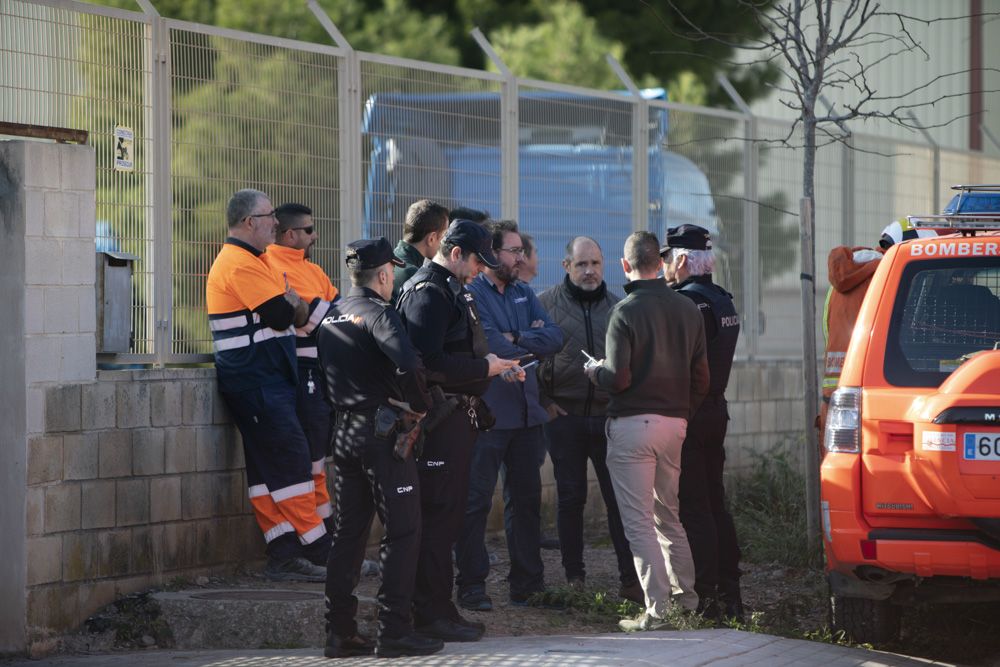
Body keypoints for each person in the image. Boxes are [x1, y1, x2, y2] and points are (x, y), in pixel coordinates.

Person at [396, 219, 523, 643]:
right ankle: (428, 612)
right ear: (454, 254)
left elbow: (456, 352)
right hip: (437, 422)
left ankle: (439, 606)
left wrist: (493, 369)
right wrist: (481, 368)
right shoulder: (429, 293)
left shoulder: (450, 288)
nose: (479, 270)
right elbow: (423, 363)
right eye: (475, 261)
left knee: (448, 517)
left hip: (456, 418)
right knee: (436, 518)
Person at [317, 237, 442, 659]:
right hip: (382, 437)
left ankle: (340, 632)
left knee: (347, 535)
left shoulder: (331, 315)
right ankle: (394, 630)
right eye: (392, 272)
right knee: (403, 531)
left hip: (345, 435)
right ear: (385, 274)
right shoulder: (380, 315)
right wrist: (422, 407)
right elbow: (408, 364)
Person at [584, 230, 709, 632]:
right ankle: (687, 601)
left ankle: (657, 612)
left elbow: (617, 379)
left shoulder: (624, 311)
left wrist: (594, 371)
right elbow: (701, 378)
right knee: (669, 516)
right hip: (675, 425)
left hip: (632, 427)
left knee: (639, 522)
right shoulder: (689, 308)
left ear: (625, 265)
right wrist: (682, 414)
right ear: (662, 263)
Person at [205, 189, 329, 582]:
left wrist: (292, 305)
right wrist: (290, 304)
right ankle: (320, 549)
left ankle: (284, 552)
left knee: (267, 469)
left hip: (269, 379)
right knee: (291, 461)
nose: (276, 222)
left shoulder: (259, 261)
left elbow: (296, 313)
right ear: (248, 223)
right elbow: (282, 313)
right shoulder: (239, 263)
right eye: (268, 215)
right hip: (254, 380)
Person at [456, 220, 563, 612]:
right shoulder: (473, 293)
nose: (521, 258)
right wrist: (520, 343)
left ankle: (528, 586)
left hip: (526, 416)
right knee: (476, 502)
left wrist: (519, 341)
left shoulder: (523, 292)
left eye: (521, 251)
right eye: (514, 251)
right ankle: (471, 585)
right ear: (491, 253)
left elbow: (554, 336)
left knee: (526, 502)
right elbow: (491, 344)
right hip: (488, 417)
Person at [537, 236, 641, 603]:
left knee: (618, 501)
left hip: (609, 419)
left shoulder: (620, 307)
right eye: (581, 264)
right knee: (570, 498)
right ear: (566, 266)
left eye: (595, 264)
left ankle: (630, 580)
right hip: (563, 418)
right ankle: (574, 578)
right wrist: (544, 402)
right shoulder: (545, 305)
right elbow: (528, 359)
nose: (589, 271)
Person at [662, 225, 743, 623]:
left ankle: (707, 597)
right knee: (716, 504)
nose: (664, 267)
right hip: (717, 411)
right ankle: (732, 592)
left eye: (666, 259)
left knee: (695, 508)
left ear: (680, 260)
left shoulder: (685, 303)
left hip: (692, 412)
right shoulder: (723, 300)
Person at [818, 218, 935, 432]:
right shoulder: (891, 277)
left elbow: (829, 333)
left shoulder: (843, 279)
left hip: (836, 401)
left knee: (840, 465)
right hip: (878, 400)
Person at [263, 203, 338, 530]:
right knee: (309, 463)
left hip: (324, 375)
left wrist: (318, 312)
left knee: (318, 461)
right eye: (309, 230)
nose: (315, 235)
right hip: (302, 374)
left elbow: (336, 314)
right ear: (290, 233)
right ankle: (319, 538)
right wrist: (318, 313)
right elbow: (306, 319)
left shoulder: (313, 269)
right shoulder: (271, 264)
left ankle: (324, 536)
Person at [391, 199, 450, 303]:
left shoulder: (392, 260)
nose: (445, 243)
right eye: (444, 237)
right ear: (431, 239)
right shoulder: (415, 275)